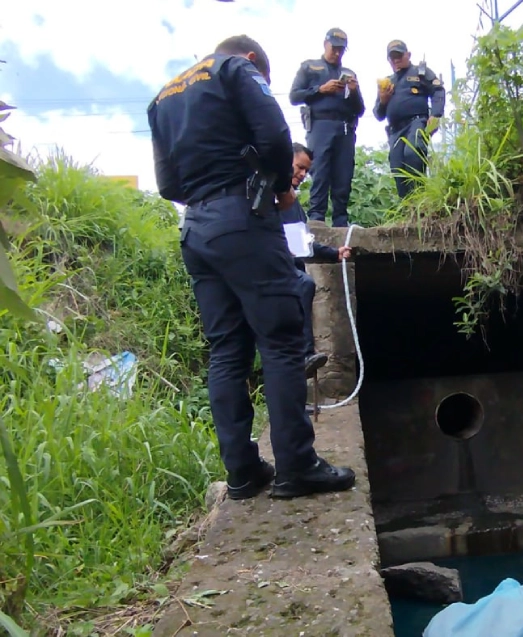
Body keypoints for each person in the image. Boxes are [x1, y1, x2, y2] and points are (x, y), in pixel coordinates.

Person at [148, 34, 356, 500]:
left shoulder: (162, 97)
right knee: (281, 343)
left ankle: (242, 473)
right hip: (242, 219)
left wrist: (207, 200)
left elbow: (167, 184)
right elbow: (275, 136)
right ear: (251, 61)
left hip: (195, 231)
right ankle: (297, 467)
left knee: (227, 351)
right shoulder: (234, 69)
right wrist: (280, 186)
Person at [281, 142, 351, 377]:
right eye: (299, 167)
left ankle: (303, 359)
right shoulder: (270, 196)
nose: (302, 175)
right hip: (275, 270)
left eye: (306, 171)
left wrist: (335, 252)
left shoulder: (294, 205)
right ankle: (305, 354)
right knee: (305, 283)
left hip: (291, 268)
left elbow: (304, 242)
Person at [289, 28, 365, 228]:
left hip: (345, 128)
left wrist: (354, 92)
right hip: (320, 125)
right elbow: (294, 96)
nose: (337, 53)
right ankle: (317, 219)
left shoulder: (349, 74)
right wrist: (320, 90)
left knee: (343, 174)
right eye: (334, 48)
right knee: (320, 171)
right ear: (325, 44)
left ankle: (341, 221)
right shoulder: (309, 67)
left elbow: (360, 109)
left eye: (341, 49)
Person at [372, 39, 445, 199]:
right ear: (388, 60)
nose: (396, 60)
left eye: (399, 55)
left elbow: (438, 90)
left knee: (413, 153)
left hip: (417, 122)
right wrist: (383, 100)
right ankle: (408, 208)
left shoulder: (420, 73)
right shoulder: (387, 82)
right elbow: (378, 114)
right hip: (395, 130)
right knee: (397, 166)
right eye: (392, 57)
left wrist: (436, 114)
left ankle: (421, 200)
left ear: (408, 55)